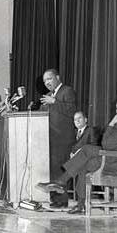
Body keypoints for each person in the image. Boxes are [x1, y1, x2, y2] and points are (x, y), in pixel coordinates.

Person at [36, 94, 117, 214]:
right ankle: (76, 199)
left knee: (86, 151)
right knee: (85, 161)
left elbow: (106, 144)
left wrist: (111, 124)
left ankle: (63, 183)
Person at [40, 69, 77, 208]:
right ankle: (55, 199)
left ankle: (61, 201)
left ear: (57, 77)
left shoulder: (67, 91)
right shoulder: (49, 95)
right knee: (54, 170)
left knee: (60, 170)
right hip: (50, 138)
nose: (47, 83)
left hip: (63, 139)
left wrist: (54, 101)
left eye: (49, 79)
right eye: (45, 81)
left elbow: (72, 111)